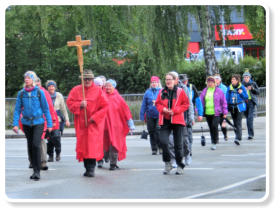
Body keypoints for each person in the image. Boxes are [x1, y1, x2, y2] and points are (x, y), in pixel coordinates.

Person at [66, 69, 109, 177]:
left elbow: (105, 106)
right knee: (84, 146)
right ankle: (87, 167)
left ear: (92, 79)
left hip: (93, 124)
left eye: (89, 79)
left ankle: (91, 168)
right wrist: (79, 104)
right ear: (82, 80)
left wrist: (95, 117)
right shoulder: (76, 90)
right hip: (81, 124)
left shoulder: (98, 91)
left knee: (92, 146)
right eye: (85, 79)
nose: (87, 81)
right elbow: (70, 103)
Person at [13, 71, 53, 181]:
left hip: (38, 122)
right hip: (26, 123)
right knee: (30, 146)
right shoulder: (21, 93)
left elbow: (46, 109)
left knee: (36, 144)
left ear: (33, 80)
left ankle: (37, 170)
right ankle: (35, 169)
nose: (26, 79)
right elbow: (17, 110)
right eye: (25, 78)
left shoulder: (39, 92)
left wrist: (49, 124)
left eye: (29, 78)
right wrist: (15, 124)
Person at [155, 72, 189, 175]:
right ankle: (168, 163)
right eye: (166, 79)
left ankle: (180, 165)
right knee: (164, 142)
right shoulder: (161, 92)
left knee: (178, 144)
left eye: (170, 79)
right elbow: (157, 104)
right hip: (165, 120)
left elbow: (186, 104)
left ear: (175, 81)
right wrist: (164, 109)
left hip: (177, 120)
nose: (168, 81)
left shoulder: (180, 91)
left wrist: (175, 110)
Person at [103, 79, 135, 170]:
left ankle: (113, 163)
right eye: (106, 86)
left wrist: (130, 122)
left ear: (114, 87)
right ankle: (106, 156)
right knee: (105, 144)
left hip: (117, 126)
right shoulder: (102, 96)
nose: (108, 87)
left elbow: (126, 110)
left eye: (110, 86)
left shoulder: (118, 98)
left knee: (115, 144)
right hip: (105, 126)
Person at [179, 73, 203, 165]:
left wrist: (199, 114)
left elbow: (198, 101)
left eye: (186, 80)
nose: (185, 82)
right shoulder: (178, 88)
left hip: (189, 114)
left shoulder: (192, 87)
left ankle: (189, 150)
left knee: (189, 135)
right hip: (180, 114)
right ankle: (183, 151)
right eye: (183, 81)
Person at [200, 76, 228, 150]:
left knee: (214, 126)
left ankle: (214, 142)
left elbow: (224, 102)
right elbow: (201, 101)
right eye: (208, 82)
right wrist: (199, 111)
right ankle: (213, 140)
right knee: (211, 127)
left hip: (217, 113)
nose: (210, 83)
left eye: (211, 82)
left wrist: (225, 112)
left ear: (214, 83)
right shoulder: (205, 91)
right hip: (207, 113)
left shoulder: (219, 91)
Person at [46, 80, 70, 162]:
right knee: (49, 139)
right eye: (50, 86)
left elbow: (63, 108)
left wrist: (67, 119)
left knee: (56, 137)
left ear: (55, 87)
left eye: (53, 86)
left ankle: (58, 152)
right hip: (48, 119)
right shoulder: (45, 95)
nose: (51, 87)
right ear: (47, 87)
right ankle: (50, 155)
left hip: (58, 120)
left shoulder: (59, 96)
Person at [140, 76, 161, 155]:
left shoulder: (161, 91)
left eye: (155, 82)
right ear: (150, 83)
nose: (154, 84)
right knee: (151, 132)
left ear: (158, 83)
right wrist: (142, 115)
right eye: (153, 82)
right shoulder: (147, 92)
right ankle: (154, 148)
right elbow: (143, 105)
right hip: (150, 115)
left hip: (159, 114)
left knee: (158, 131)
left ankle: (161, 147)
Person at [226, 74, 249, 145]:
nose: (232, 81)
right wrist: (226, 107)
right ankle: (238, 136)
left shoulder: (241, 87)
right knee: (235, 123)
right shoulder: (229, 88)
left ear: (237, 80)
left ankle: (237, 138)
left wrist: (241, 93)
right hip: (232, 107)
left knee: (238, 122)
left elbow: (246, 97)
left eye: (233, 79)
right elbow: (227, 98)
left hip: (240, 107)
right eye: (231, 80)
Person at [242, 69, 260, 140]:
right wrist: (244, 90)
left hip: (251, 102)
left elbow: (258, 92)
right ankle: (250, 133)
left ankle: (250, 135)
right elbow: (238, 92)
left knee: (250, 118)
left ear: (249, 77)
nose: (246, 78)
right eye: (244, 77)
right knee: (247, 118)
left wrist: (252, 88)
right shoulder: (241, 84)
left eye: (247, 77)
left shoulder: (253, 83)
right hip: (244, 102)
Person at [214, 74, 228, 141]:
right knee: (215, 125)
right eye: (215, 79)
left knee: (222, 124)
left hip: (222, 110)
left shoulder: (224, 88)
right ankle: (216, 138)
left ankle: (225, 135)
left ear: (220, 80)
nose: (216, 80)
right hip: (214, 110)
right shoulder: (211, 87)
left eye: (217, 79)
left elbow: (224, 99)